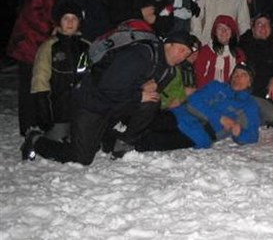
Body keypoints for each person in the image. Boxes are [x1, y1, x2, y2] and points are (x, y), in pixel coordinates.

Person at [21, 30, 198, 164]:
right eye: (181, 49)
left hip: (113, 106)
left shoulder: (168, 70)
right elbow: (108, 88)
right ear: (168, 44)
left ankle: (120, 142)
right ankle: (36, 140)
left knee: (152, 100)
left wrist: (142, 92)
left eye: (186, 54)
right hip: (91, 103)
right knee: (81, 158)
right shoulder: (141, 54)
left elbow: (143, 93)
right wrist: (139, 94)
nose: (182, 56)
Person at [7, 0, 82, 136]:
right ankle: (28, 129)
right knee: (30, 86)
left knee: (41, 83)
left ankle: (38, 124)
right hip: (29, 42)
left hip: (39, 41)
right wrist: (52, 27)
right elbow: (31, 10)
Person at [133, 63, 260, 152]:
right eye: (235, 73)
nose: (237, 77)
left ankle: (122, 143)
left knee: (150, 141)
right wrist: (220, 118)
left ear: (250, 82)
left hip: (199, 133)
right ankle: (119, 129)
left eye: (243, 74)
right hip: (180, 115)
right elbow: (193, 101)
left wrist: (239, 133)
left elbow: (252, 136)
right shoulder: (216, 86)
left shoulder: (249, 105)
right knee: (148, 121)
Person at [29, 3, 90, 141]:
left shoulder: (86, 46)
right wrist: (43, 109)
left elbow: (92, 76)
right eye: (66, 18)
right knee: (59, 142)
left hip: (81, 110)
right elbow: (40, 79)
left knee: (86, 144)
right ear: (59, 22)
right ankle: (35, 140)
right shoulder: (50, 46)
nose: (70, 22)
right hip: (58, 110)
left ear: (79, 22)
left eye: (74, 18)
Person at [194, 15, 246, 88]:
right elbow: (199, 77)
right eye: (220, 28)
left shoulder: (239, 53)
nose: (223, 31)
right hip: (207, 93)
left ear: (232, 33)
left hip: (231, 94)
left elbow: (242, 78)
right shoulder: (205, 51)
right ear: (215, 32)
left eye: (227, 28)